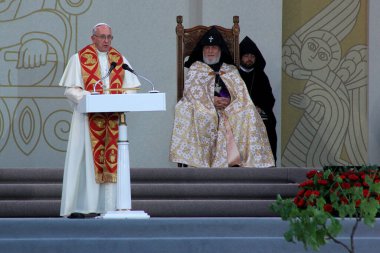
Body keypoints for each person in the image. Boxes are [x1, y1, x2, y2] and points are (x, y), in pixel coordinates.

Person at [59, 23, 141, 218]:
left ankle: (109, 207)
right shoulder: (79, 59)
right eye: (102, 37)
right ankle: (81, 207)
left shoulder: (119, 60)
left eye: (109, 37)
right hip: (87, 121)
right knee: (85, 162)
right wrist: (88, 97)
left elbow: (132, 88)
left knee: (112, 161)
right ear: (93, 38)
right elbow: (70, 90)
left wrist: (123, 97)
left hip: (112, 120)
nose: (106, 41)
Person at [170, 27, 274, 168]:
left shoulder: (230, 70)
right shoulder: (196, 68)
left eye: (214, 48)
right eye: (207, 48)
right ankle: (203, 163)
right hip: (203, 108)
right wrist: (210, 101)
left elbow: (241, 94)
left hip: (229, 108)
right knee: (189, 110)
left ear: (220, 50)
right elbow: (190, 94)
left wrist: (230, 101)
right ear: (202, 50)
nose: (210, 51)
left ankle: (242, 161)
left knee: (248, 111)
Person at [238, 36, 277, 163]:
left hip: (259, 114)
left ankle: (267, 164)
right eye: (246, 56)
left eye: (252, 56)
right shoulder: (233, 75)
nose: (249, 59)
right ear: (240, 57)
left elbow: (270, 98)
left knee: (269, 123)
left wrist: (260, 107)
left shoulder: (261, 75)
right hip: (238, 114)